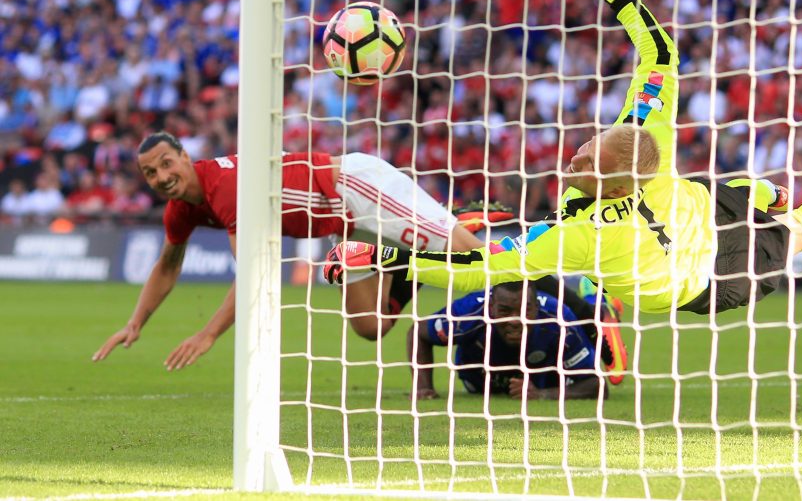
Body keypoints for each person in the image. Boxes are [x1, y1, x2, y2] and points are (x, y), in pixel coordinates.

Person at [324, 0, 802, 322]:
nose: (577, 154)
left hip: (701, 247)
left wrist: (392, 260)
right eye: (590, 146)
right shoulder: (642, 142)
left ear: (614, 179)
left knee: (795, 225)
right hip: (700, 249)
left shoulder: (576, 234)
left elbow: (482, 269)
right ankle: (800, 184)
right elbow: (660, 56)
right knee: (786, 223)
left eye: (587, 159)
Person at [92, 131, 623, 372]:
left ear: (186, 155)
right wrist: (136, 322)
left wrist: (208, 334)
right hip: (348, 229)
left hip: (352, 188)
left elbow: (256, 271)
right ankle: (413, 261)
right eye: (150, 172)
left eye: (168, 163)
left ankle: (579, 292)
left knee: (477, 262)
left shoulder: (223, 188)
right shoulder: (182, 209)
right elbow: (168, 264)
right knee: (371, 328)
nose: (162, 176)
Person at [408, 281, 606, 401]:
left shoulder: (558, 318)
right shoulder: (468, 313)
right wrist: (423, 388)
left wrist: (543, 394)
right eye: (504, 311)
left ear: (536, 307)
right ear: (491, 306)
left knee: (596, 320)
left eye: (523, 311)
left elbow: (597, 385)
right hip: (479, 386)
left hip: (543, 384)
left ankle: (599, 304)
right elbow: (418, 331)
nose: (514, 320)